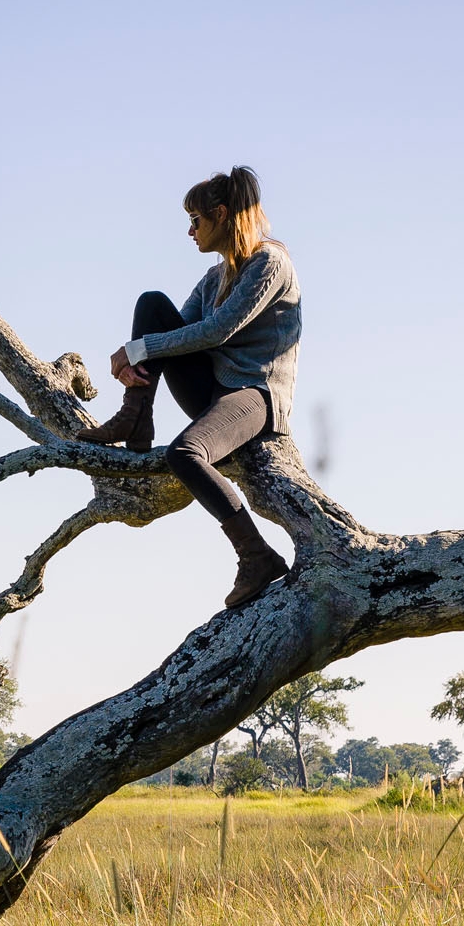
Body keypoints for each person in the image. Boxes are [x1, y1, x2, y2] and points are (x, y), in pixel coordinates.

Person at [78, 165, 301, 609]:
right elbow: (175, 335)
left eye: (196, 221)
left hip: (255, 396)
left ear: (220, 215)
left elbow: (216, 331)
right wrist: (138, 356)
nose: (189, 230)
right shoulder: (216, 276)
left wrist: (139, 350)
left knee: (184, 453)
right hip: (211, 387)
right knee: (152, 305)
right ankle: (134, 417)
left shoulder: (269, 263)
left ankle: (256, 555)